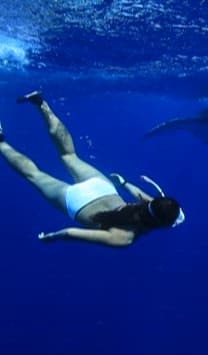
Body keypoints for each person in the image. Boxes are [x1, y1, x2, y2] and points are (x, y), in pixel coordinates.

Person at [0, 91, 185, 247]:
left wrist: (124, 183)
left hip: (103, 188)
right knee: (33, 174)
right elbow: (71, 233)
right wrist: (51, 237)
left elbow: (138, 192)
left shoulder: (151, 202)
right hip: (78, 203)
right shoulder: (126, 238)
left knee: (69, 155)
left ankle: (41, 103)